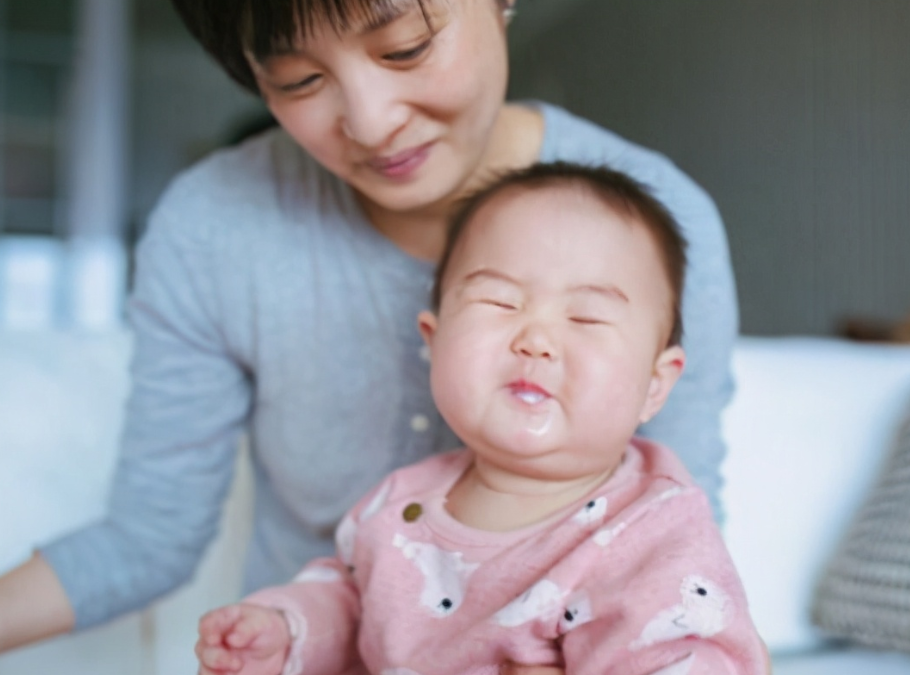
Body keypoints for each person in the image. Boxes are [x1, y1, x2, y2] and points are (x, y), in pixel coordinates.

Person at [0, 0, 738, 656]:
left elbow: (674, 567)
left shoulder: (656, 229)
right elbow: (148, 536)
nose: (372, 120)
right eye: (297, 80)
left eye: (404, 48)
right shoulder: (212, 229)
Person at [196, 162, 765, 675]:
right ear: (434, 341)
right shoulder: (400, 503)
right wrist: (285, 631)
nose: (536, 339)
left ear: (655, 384)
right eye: (500, 303)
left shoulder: (652, 533)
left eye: (587, 318)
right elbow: (352, 602)